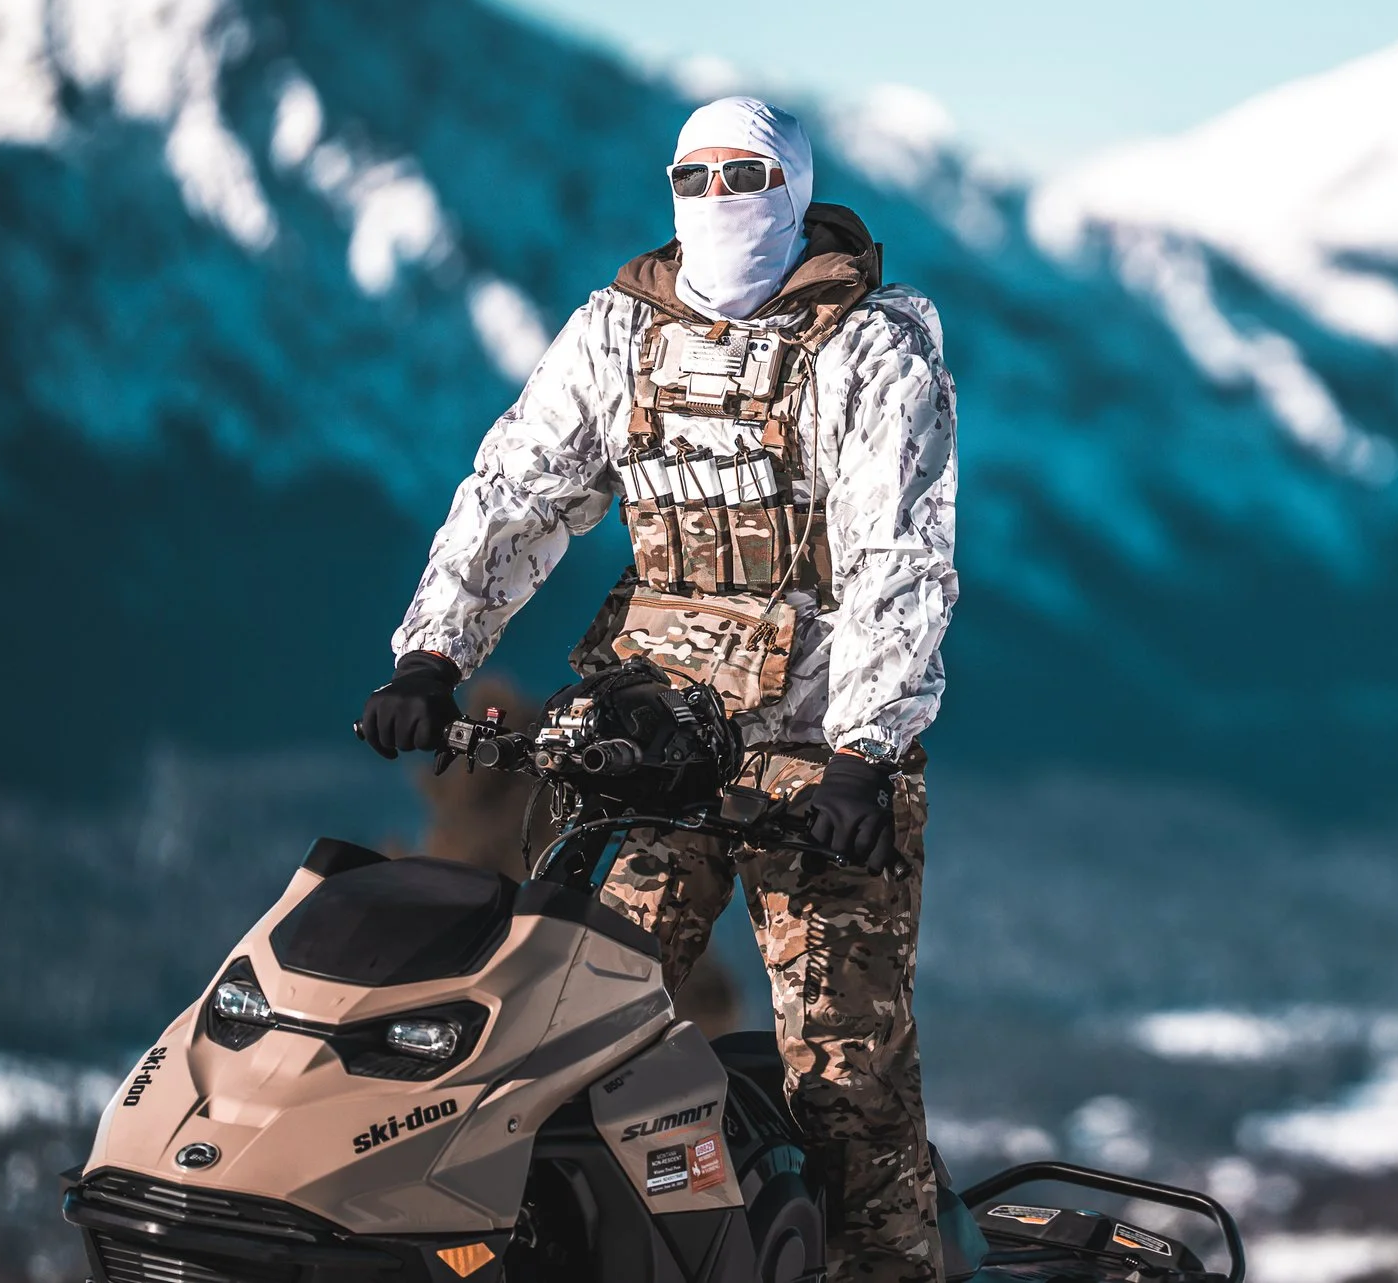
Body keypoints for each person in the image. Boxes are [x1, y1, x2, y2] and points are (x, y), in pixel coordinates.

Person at [354, 96, 958, 1283]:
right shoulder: (620, 331)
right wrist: (434, 653)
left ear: (795, 186)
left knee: (845, 1068)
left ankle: (886, 1270)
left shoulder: (869, 344)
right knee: (570, 1036)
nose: (720, 199)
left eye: (748, 174)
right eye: (695, 176)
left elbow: (901, 552)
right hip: (649, 743)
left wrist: (866, 751)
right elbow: (520, 486)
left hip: (815, 757)